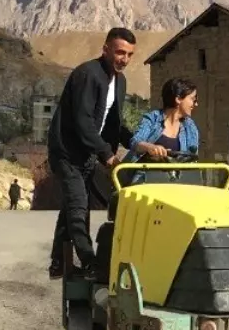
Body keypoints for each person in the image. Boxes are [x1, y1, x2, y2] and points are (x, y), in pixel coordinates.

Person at [46, 27, 136, 280]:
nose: (124, 59)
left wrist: (137, 143)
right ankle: (89, 262)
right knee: (78, 208)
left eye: (129, 55)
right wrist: (107, 155)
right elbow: (82, 121)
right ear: (106, 49)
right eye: (120, 52)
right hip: (67, 153)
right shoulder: (87, 74)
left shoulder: (120, 81)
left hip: (86, 155)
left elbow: (113, 124)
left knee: (71, 209)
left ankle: (57, 263)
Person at [121, 77, 201, 185]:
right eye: (193, 99)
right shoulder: (153, 119)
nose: (196, 104)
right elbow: (135, 141)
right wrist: (150, 148)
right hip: (147, 176)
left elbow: (193, 157)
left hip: (177, 179)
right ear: (178, 99)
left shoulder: (190, 126)